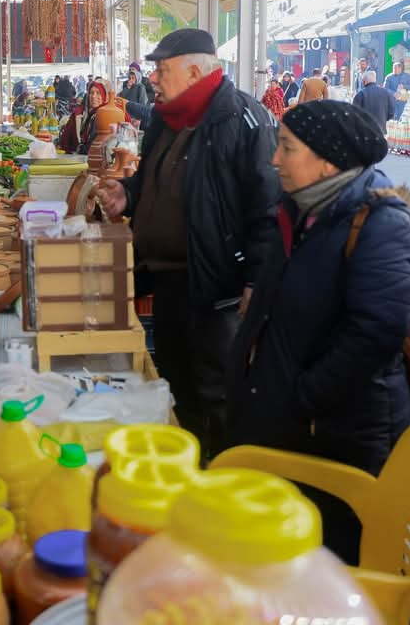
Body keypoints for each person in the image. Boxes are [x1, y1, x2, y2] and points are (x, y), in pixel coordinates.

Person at [227, 100, 410, 564]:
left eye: (287, 148)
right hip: (292, 421)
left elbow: (378, 329)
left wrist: (303, 397)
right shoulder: (303, 211)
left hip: (339, 432)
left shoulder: (379, 223)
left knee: (332, 560)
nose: (275, 160)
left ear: (328, 160)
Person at [98, 28, 280, 459]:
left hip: (218, 288)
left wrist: (256, 281)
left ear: (196, 70)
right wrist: (130, 194)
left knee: (217, 391)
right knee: (177, 382)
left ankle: (222, 481)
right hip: (169, 280)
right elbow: (152, 180)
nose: (154, 79)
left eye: (162, 70)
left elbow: (269, 208)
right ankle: (188, 467)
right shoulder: (168, 117)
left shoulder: (242, 119)